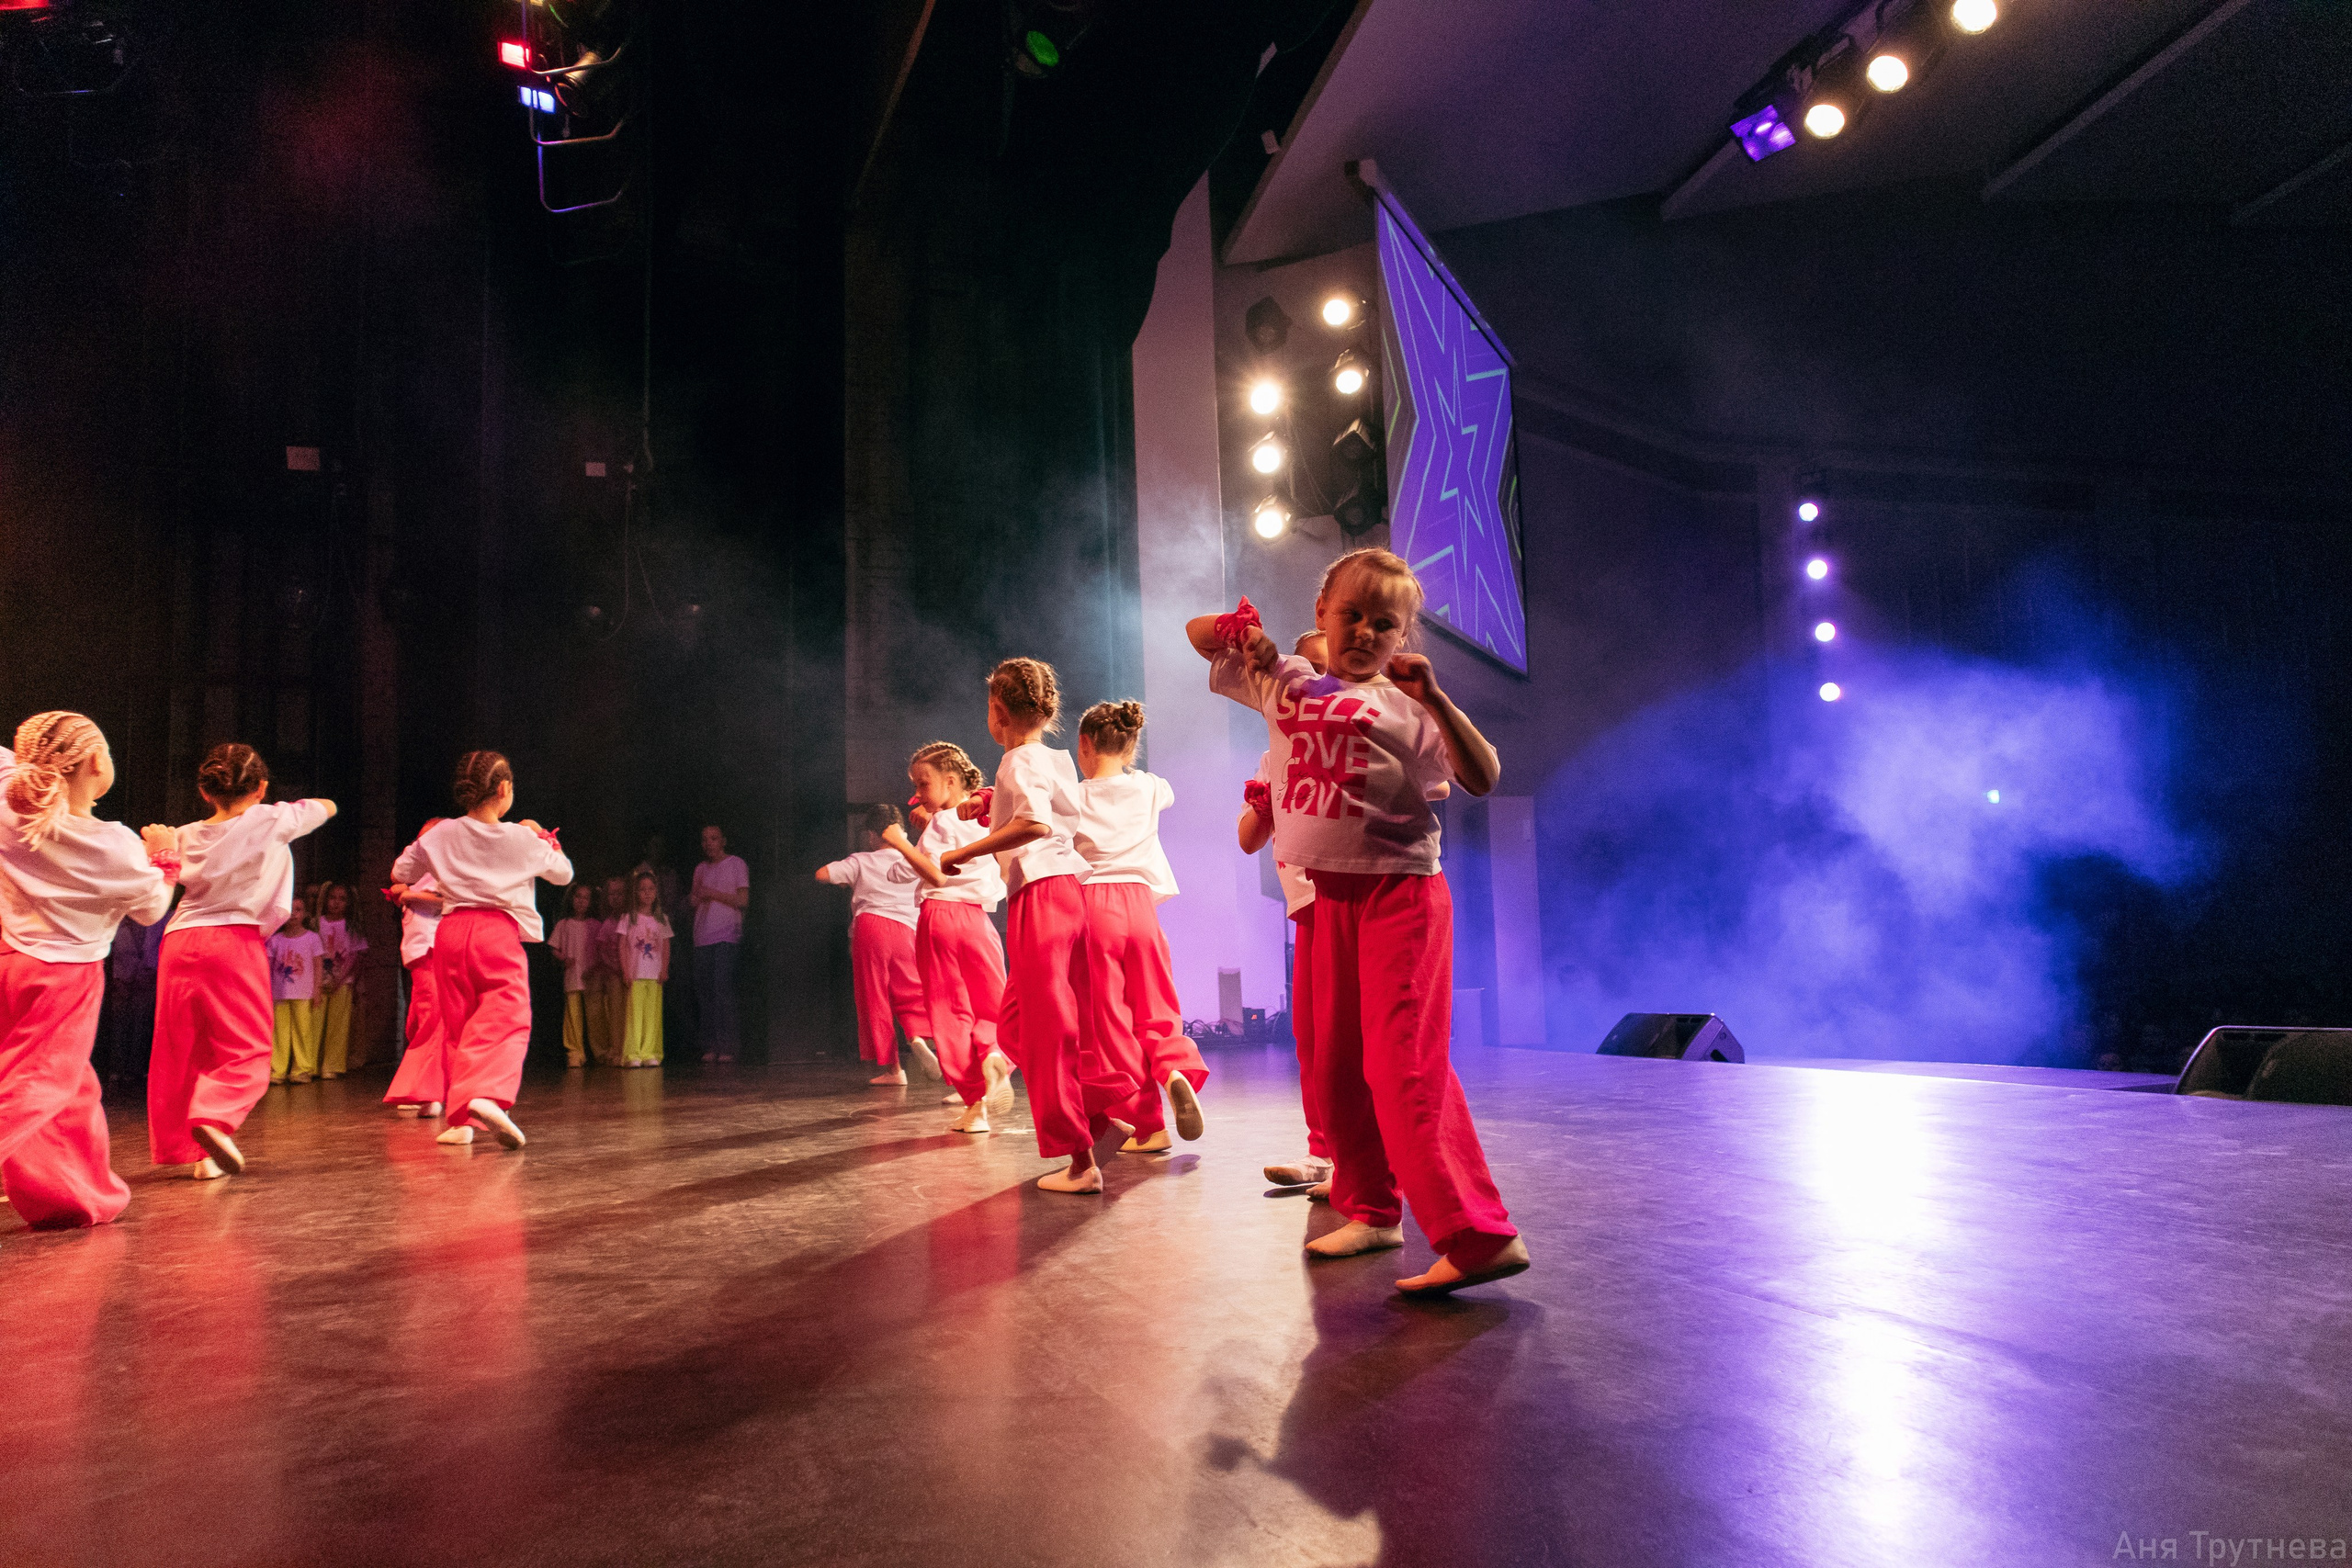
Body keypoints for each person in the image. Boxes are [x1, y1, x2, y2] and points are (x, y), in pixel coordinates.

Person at [1191, 553, 1530, 1297]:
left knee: (1401, 1067)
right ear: (1321, 611)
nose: (1367, 632)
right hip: (1328, 899)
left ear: (1404, 637)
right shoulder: (1286, 682)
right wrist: (1241, 634)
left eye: (1387, 623)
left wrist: (1436, 698)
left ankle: (1478, 1235)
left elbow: (1483, 776)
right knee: (1336, 1067)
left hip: (1400, 897)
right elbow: (1197, 635)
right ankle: (1373, 1209)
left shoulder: (1407, 708)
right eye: (1353, 614)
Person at [935, 659, 1135, 1195]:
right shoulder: (1054, 757)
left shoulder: (1016, 762)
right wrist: (988, 804)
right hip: (1071, 895)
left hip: (1040, 898)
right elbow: (1040, 810)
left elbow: (1035, 823)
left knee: (1046, 1033)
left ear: (997, 711)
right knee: (1020, 1025)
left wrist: (964, 852)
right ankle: (1100, 1117)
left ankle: (1080, 1160)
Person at [0, 714, 175, 1228]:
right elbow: (150, 909)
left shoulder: (8, 803)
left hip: (12, 962)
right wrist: (166, 857)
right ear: (98, 762)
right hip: (66, 977)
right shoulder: (111, 844)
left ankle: (72, 1197)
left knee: (74, 1090)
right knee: (39, 1082)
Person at [149, 742, 335, 1179]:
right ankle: (213, 1117)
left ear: (205, 791)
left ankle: (199, 1154)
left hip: (179, 941)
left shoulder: (183, 834)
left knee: (184, 1048)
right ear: (262, 788)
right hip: (233, 942)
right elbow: (328, 806)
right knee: (247, 1046)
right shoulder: (270, 819)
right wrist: (277, 809)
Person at [390, 750, 572, 1150]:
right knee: (508, 1015)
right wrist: (544, 835)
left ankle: (460, 1120)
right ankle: (486, 1095)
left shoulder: (439, 833)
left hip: (451, 933)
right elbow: (563, 874)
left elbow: (401, 871)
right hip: (496, 932)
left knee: (459, 1023)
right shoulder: (521, 837)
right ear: (504, 789)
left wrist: (444, 862)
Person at [1070, 699, 1205, 1154]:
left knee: (1111, 1019)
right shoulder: (1150, 787)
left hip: (1095, 906)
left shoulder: (1075, 796)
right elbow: (1166, 793)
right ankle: (1175, 1071)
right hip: (1141, 906)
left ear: (1085, 744)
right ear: (1131, 748)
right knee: (1156, 1006)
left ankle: (1148, 1124)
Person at [880, 742, 1008, 1129]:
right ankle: (993, 1054)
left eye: (923, 784)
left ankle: (975, 1103)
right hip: (978, 923)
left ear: (950, 781)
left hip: (940, 917)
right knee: (993, 1002)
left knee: (950, 1011)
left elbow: (933, 875)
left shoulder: (940, 823)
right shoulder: (991, 819)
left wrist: (899, 841)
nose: (917, 795)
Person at [1244, 755, 1329, 1193]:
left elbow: (1439, 785)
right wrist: (1264, 805)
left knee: (1350, 1038)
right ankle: (1325, 1155)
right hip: (1306, 907)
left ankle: (1368, 1161)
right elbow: (1247, 839)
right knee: (1312, 1037)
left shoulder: (1350, 730)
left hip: (1347, 895)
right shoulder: (1272, 757)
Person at [815, 803, 938, 1087]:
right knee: (909, 990)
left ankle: (894, 1070)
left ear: (872, 836)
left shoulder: (861, 860)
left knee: (875, 996)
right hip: (909, 930)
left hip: (872, 927)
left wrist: (850, 881)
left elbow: (822, 874)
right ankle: (917, 1036)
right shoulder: (914, 858)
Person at [381, 854, 447, 1118]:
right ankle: (422, 1087)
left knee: (431, 1017)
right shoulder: (419, 874)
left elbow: (445, 902)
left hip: (433, 950)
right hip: (418, 955)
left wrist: (408, 895)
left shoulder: (446, 870)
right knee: (416, 1022)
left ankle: (429, 1093)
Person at [689, 825, 749, 1062]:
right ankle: (709, 1044)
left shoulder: (736, 864)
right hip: (702, 936)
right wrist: (695, 898)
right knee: (705, 992)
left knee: (722, 988)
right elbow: (694, 900)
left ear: (723, 840)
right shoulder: (700, 869)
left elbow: (743, 900)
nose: (709, 844)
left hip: (726, 935)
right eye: (704, 840)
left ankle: (727, 1046)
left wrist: (712, 893)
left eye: (713, 839)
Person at [100, 910, 164, 1090]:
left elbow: (158, 943)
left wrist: (150, 969)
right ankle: (117, 1068)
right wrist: (119, 976)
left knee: (141, 1023)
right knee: (119, 1023)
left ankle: (135, 1068)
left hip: (146, 974)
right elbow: (115, 948)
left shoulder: (157, 917)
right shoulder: (118, 919)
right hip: (122, 976)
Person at [310, 881, 368, 1077]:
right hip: (318, 979)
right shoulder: (317, 924)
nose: (336, 903)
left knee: (338, 1024)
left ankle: (331, 1065)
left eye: (342, 899)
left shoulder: (351, 927)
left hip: (343, 980)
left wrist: (341, 977)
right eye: (332, 898)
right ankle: (311, 1064)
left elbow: (355, 957)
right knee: (314, 1022)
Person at [266, 895, 325, 1084]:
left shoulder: (312, 938)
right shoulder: (275, 940)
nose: (293, 915)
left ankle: (302, 1069)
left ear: (305, 913)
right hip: (279, 993)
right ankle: (278, 1069)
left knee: (303, 1031)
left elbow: (318, 966)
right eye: (289, 910)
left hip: (303, 992)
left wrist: (317, 990)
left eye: (298, 910)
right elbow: (267, 965)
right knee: (279, 1032)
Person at [616, 869, 670, 1068]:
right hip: (636, 974)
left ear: (656, 891)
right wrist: (625, 971)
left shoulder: (661, 919)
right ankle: (632, 1053)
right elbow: (621, 945)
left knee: (652, 1015)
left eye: (651, 889)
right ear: (635, 893)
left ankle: (650, 1051)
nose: (647, 893)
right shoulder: (629, 918)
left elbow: (665, 945)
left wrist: (664, 969)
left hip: (654, 975)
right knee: (635, 1015)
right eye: (642, 889)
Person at [547, 882, 598, 1069]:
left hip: (591, 977)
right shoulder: (564, 924)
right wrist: (563, 958)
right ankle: (575, 1052)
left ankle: (599, 1051)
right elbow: (553, 947)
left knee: (595, 1016)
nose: (581, 902)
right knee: (573, 1016)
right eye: (578, 897)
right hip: (572, 976)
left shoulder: (594, 925)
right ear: (571, 899)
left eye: (586, 898)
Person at [589, 874, 628, 1066]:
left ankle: (627, 1049)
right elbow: (601, 950)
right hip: (614, 973)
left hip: (629, 972)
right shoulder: (608, 923)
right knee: (615, 1012)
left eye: (620, 893)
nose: (616, 898)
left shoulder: (631, 920)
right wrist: (614, 967)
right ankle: (615, 1049)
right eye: (611, 894)